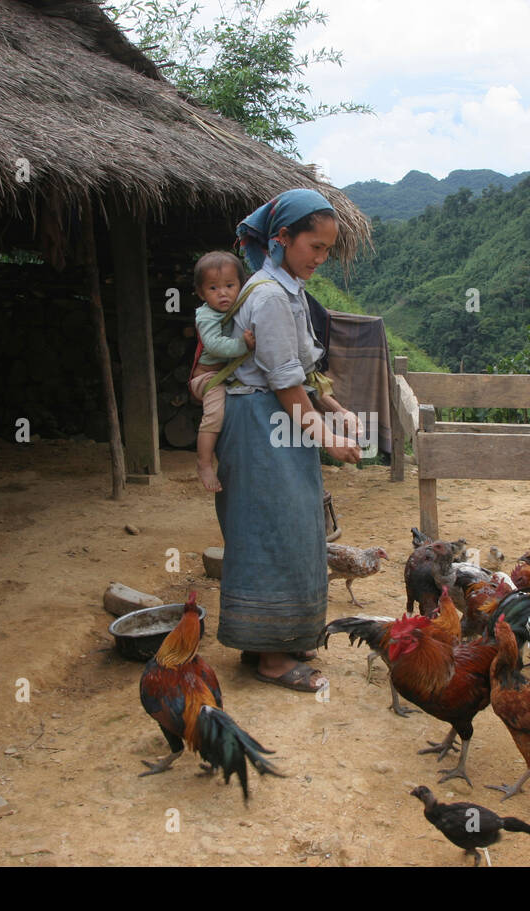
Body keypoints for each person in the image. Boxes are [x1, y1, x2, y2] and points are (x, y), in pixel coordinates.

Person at [215, 188, 363, 692]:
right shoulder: (272, 296)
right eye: (314, 248)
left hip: (276, 424)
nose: (320, 258)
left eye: (327, 250)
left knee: (295, 527)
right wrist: (328, 439)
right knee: (270, 530)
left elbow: (302, 373)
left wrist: (335, 413)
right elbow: (284, 383)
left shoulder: (288, 289)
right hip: (260, 426)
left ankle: (275, 637)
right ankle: (271, 658)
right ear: (282, 238)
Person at [188, 250, 261, 492]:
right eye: (213, 288)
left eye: (230, 286)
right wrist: (243, 345)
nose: (223, 294)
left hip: (225, 375)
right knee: (215, 415)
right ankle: (204, 462)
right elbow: (214, 345)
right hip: (207, 378)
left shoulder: (239, 308)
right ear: (201, 293)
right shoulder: (206, 316)